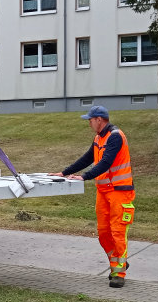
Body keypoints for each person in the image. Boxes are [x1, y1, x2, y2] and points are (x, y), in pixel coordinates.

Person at [49, 106, 135, 288]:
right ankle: (118, 263)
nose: (89, 123)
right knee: (104, 233)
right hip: (104, 192)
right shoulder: (98, 138)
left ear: (99, 120)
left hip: (120, 192)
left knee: (117, 232)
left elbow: (106, 162)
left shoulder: (115, 136)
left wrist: (84, 176)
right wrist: (64, 172)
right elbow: (88, 158)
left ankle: (119, 273)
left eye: (90, 120)